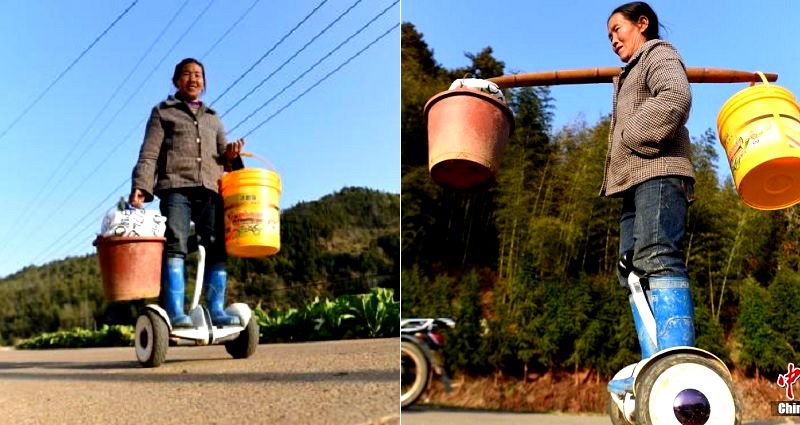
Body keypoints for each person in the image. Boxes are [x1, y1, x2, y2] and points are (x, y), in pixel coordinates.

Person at [603, 2, 696, 391]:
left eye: (617, 30)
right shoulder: (627, 74)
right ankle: (654, 363)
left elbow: (675, 95)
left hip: (660, 172)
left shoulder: (658, 53)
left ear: (642, 24)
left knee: (657, 258)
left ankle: (678, 370)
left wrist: (630, 134)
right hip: (633, 181)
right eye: (608, 36)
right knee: (632, 272)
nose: (612, 40)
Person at [130, 58, 244, 328]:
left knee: (217, 246)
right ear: (176, 81)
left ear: (204, 83)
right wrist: (140, 187)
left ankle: (216, 309)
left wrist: (232, 156)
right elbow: (149, 153)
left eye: (199, 75)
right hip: (175, 187)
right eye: (187, 74)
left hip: (210, 189)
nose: (194, 79)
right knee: (176, 242)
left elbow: (224, 159)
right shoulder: (162, 112)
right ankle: (176, 313)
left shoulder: (213, 119)